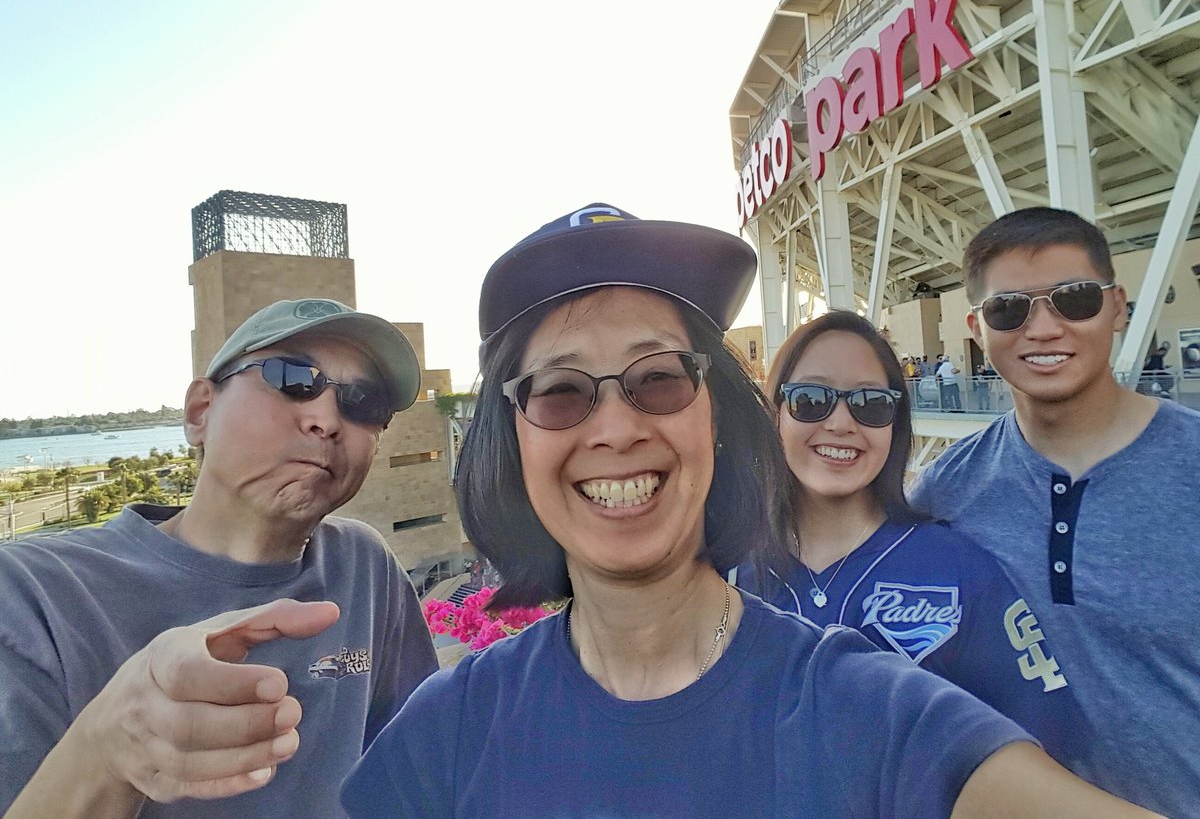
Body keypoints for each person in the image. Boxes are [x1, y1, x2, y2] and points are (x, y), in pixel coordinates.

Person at [342, 203, 1153, 817]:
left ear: (720, 422)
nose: (618, 428)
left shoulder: (870, 708)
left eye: (658, 377)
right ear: (509, 449)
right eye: (560, 393)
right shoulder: (448, 731)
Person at [0, 298, 439, 817]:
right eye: (292, 377)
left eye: (362, 402)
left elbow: (414, 762)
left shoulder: (365, 564)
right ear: (200, 411)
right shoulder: (30, 592)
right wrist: (107, 749)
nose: (326, 419)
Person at [909, 206, 1200, 817]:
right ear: (976, 327)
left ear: (1117, 306)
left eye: (1073, 299)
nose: (1042, 329)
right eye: (1009, 309)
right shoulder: (945, 492)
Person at [737, 311, 1085, 765]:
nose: (841, 423)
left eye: (871, 404)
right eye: (810, 399)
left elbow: (1050, 746)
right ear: (775, 413)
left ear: (895, 423)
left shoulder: (960, 573)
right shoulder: (723, 569)